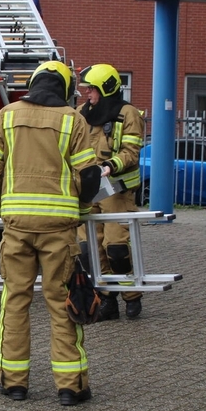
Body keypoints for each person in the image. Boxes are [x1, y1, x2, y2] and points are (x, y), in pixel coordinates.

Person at [0, 61, 101, 406]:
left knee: (15, 300)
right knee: (62, 302)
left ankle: (14, 382)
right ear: (64, 88)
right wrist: (80, 211)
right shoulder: (72, 119)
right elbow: (89, 176)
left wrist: (3, 207)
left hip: (17, 226)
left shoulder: (7, 115)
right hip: (59, 229)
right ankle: (70, 386)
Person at [76, 64, 146, 320]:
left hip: (116, 190)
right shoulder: (80, 114)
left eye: (92, 89)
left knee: (115, 248)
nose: (88, 94)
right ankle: (106, 299)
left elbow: (131, 151)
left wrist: (109, 166)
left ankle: (132, 295)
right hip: (86, 191)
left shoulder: (128, 114)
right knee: (88, 250)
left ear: (106, 89)